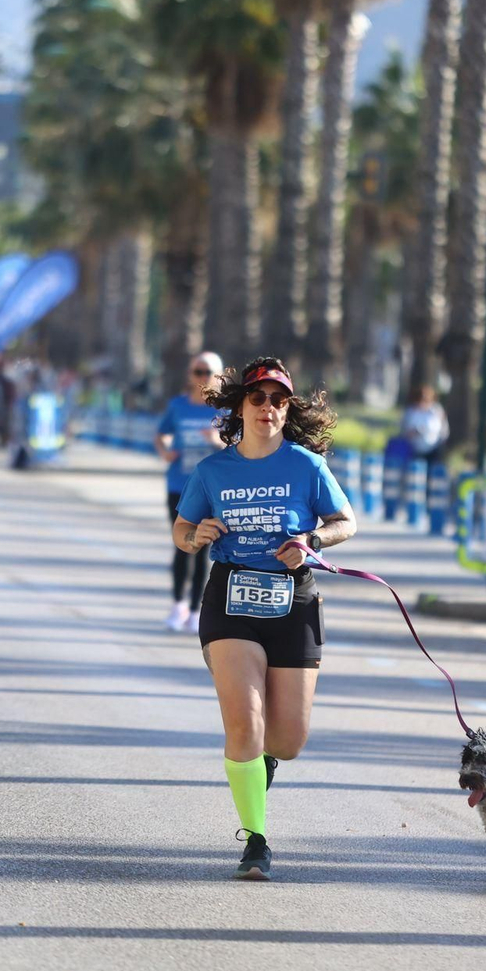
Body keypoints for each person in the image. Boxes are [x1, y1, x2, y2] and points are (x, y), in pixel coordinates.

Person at [172, 357, 357, 881]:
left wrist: (312, 540)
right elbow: (181, 531)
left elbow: (346, 521)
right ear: (241, 407)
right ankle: (256, 840)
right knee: (244, 722)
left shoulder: (307, 466)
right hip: (231, 601)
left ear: (287, 410)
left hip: (292, 602)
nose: (268, 408)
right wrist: (196, 536)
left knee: (287, 741)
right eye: (258, 398)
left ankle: (262, 762)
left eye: (278, 400)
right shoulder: (213, 471)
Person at [155, 352, 226, 632]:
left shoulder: (225, 411)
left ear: (219, 377)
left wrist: (218, 441)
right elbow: (161, 434)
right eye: (198, 372)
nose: (202, 378)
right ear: (190, 374)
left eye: (208, 372)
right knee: (182, 545)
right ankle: (178, 605)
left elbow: (238, 448)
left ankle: (196, 610)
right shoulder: (178, 406)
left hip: (210, 490)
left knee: (202, 549)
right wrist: (165, 452)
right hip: (179, 485)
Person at [400, 384, 449, 464]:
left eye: (426, 400)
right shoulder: (411, 412)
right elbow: (404, 430)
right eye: (421, 399)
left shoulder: (437, 411)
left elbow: (444, 430)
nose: (423, 402)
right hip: (414, 450)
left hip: (434, 449)